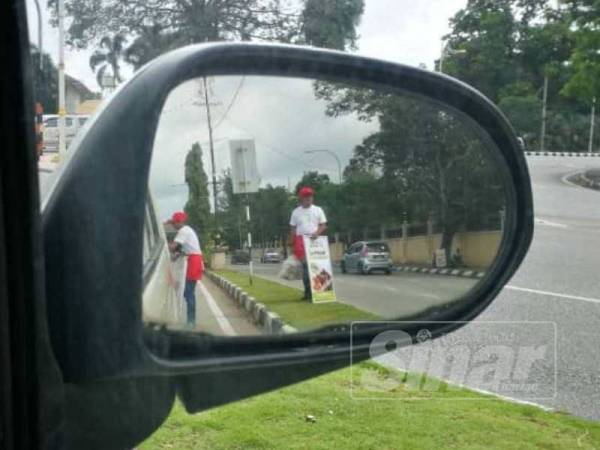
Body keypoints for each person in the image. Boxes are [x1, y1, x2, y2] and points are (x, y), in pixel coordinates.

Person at [288, 186, 327, 300]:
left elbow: (323, 225)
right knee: (306, 269)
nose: (309, 198)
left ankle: (320, 292)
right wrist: (292, 244)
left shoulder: (318, 210)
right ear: (301, 198)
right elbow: (293, 229)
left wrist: (317, 232)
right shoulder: (296, 212)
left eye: (310, 196)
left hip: (315, 241)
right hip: (301, 241)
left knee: (317, 268)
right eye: (306, 196)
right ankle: (308, 293)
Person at [168, 211, 204, 327]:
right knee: (188, 292)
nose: (173, 225)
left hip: (193, 262)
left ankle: (191, 321)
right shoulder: (187, 230)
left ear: (180, 222)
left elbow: (173, 248)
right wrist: (174, 257)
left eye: (174, 223)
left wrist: (163, 242)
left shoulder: (183, 231)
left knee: (188, 292)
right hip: (195, 261)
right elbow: (182, 250)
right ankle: (191, 320)